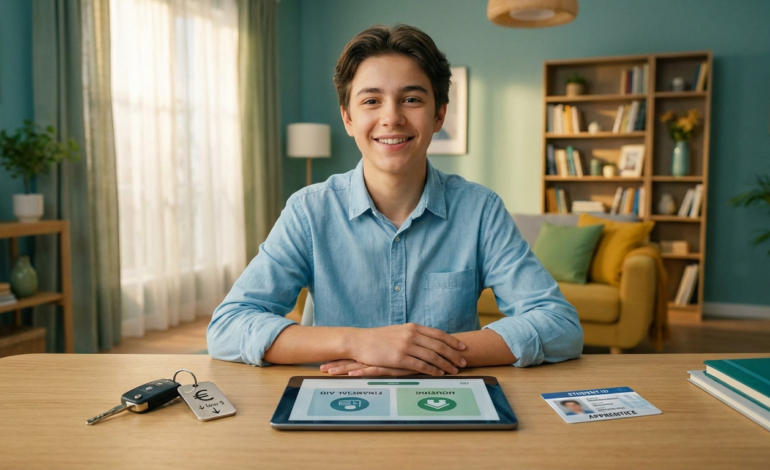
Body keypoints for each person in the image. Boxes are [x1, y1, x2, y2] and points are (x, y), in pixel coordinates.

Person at [207, 24, 583, 376]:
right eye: (371, 100)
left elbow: (559, 324)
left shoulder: (480, 210)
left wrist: (420, 357)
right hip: (337, 404)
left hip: (447, 404)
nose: (392, 117)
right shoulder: (309, 211)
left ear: (439, 115)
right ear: (348, 119)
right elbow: (228, 326)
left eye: (411, 99)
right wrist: (360, 343)